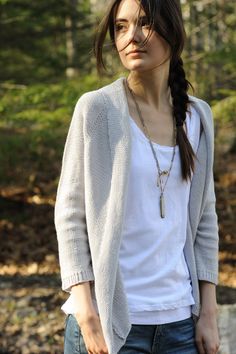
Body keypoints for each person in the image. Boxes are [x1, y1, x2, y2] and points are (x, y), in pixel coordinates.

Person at [54, 0, 220, 353]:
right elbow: (70, 213)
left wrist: (208, 310)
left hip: (180, 324)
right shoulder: (97, 110)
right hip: (111, 322)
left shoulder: (198, 118)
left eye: (145, 23)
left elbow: (205, 218)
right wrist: (85, 309)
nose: (132, 36)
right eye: (121, 26)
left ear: (172, 30)